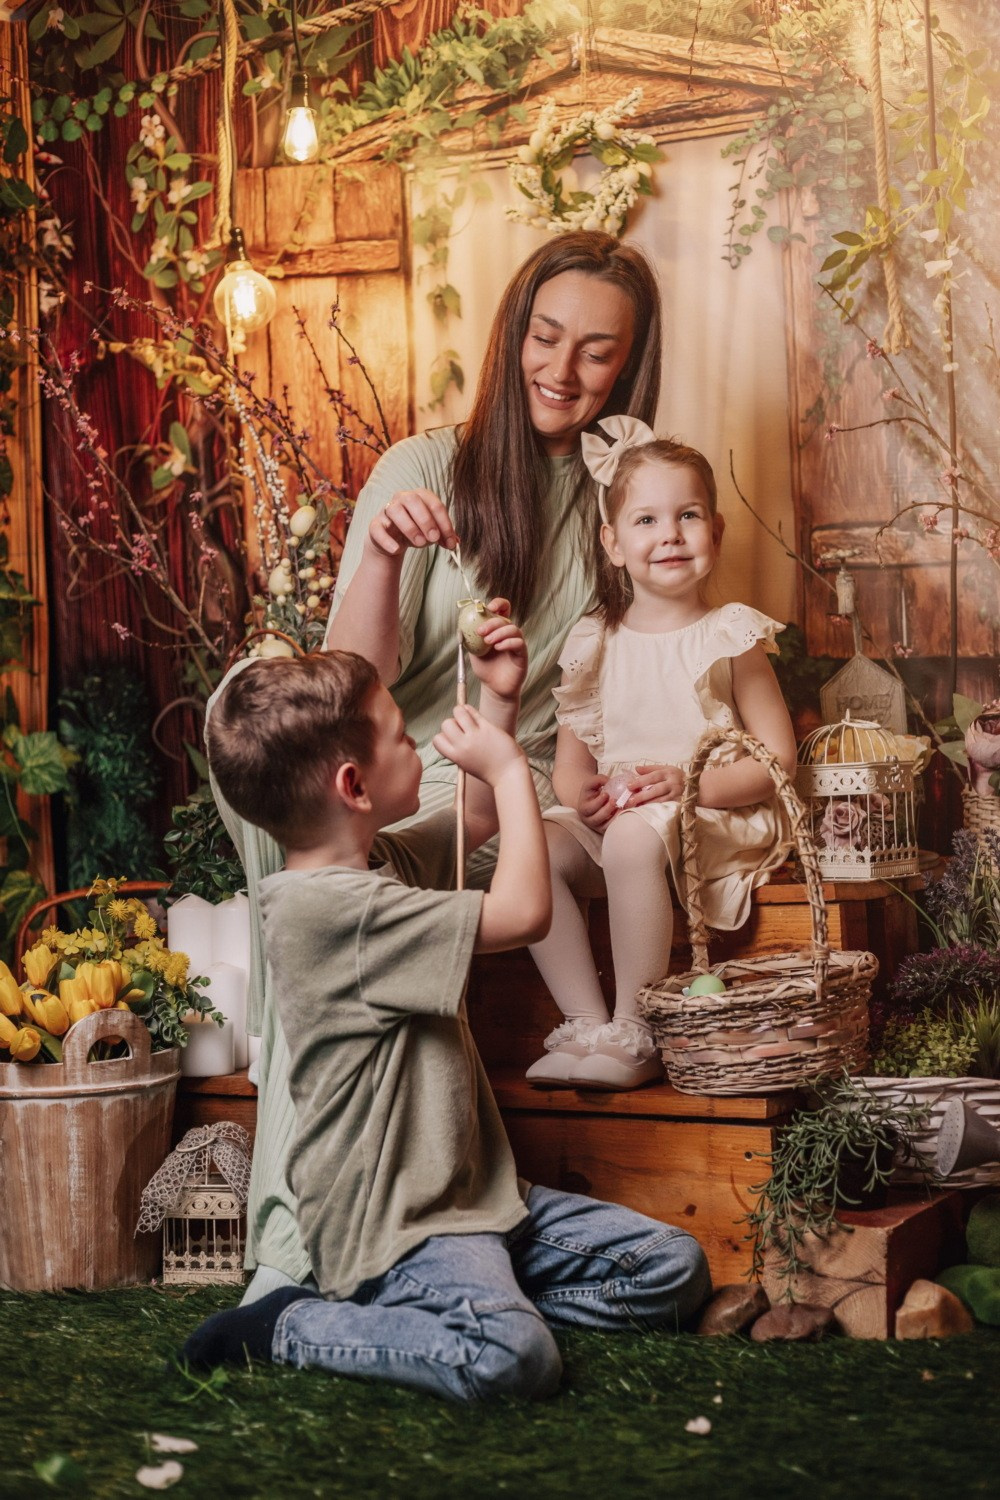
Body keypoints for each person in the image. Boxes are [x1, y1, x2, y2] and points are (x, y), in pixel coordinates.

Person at [217, 230, 663, 1301]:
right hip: (387, 770)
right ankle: (299, 1229)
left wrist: (659, 766)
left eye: (595, 353)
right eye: (544, 336)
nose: (560, 370)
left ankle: (434, 1218)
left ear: (630, 365)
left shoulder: (622, 495)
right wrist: (380, 552)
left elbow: (650, 653)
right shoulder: (424, 468)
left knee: (480, 854)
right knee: (293, 808)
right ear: (512, 329)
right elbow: (346, 690)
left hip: (522, 782)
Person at [184, 638, 709, 1403]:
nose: (422, 743)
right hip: (401, 1229)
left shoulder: (374, 864)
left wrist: (500, 696)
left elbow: (471, 815)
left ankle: (470, 1305)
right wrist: (505, 765)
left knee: (672, 1267)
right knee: (512, 1358)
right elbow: (526, 911)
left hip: (478, 1198)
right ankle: (289, 1325)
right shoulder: (333, 914)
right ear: (353, 784)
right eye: (402, 734)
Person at [525, 417, 797, 1090]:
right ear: (613, 544)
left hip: (706, 816)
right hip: (620, 823)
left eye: (688, 515)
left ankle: (636, 1027)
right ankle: (586, 1022)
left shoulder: (729, 635)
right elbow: (571, 761)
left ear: (717, 532)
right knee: (532, 847)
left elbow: (777, 761)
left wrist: (688, 784)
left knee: (627, 841)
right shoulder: (594, 640)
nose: (670, 534)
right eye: (645, 520)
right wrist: (575, 795)